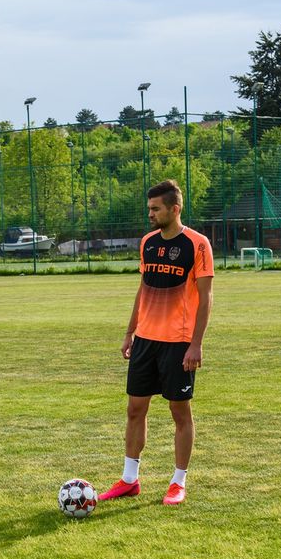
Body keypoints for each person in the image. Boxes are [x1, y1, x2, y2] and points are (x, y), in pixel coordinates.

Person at [99, 180, 213, 506]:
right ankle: (129, 479)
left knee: (180, 412)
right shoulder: (147, 243)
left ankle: (178, 482)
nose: (150, 214)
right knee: (135, 409)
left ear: (174, 209)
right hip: (145, 341)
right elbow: (143, 288)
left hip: (178, 343)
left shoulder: (197, 244)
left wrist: (196, 344)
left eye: (155, 209)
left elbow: (206, 299)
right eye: (149, 208)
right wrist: (129, 331)